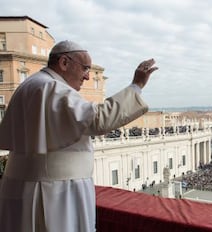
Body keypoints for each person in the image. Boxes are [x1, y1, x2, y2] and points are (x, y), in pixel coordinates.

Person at [0, 40, 158, 232]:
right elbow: (98, 119)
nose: (88, 76)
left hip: (27, 186)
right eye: (85, 68)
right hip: (54, 193)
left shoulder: (31, 84)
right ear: (64, 63)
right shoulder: (51, 87)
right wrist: (136, 86)